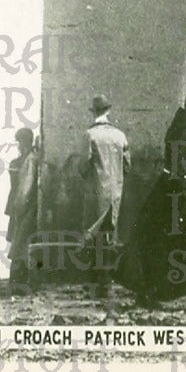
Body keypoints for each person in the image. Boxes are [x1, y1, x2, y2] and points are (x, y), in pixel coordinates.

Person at [80, 94, 130, 295]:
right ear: (108, 112)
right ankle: (107, 281)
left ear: (94, 113)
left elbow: (83, 167)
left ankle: (95, 282)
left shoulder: (90, 135)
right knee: (110, 235)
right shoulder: (120, 136)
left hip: (96, 193)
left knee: (93, 235)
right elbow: (127, 166)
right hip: (115, 193)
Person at [6, 127, 39, 287]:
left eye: (19, 142)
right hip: (24, 206)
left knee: (20, 242)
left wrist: (19, 208)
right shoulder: (30, 158)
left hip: (24, 207)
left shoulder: (28, 160)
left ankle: (18, 281)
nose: (18, 146)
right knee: (21, 242)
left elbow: (24, 188)